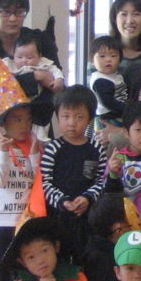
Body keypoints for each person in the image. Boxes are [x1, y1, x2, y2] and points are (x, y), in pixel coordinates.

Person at [0, 61, 46, 281]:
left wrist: (34, 155)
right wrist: (5, 152)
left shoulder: (35, 147)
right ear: (3, 124)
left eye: (28, 119)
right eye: (17, 119)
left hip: (24, 222)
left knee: (26, 278)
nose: (25, 124)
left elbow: (35, 183)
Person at [41, 86, 107, 271]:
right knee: (59, 258)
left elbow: (101, 181)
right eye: (65, 116)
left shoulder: (96, 148)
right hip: (58, 215)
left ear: (90, 120)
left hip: (88, 216)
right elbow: (45, 182)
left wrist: (87, 198)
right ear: (57, 117)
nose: (71, 123)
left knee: (86, 259)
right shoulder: (52, 148)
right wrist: (62, 201)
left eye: (79, 117)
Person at [0, 27, 64, 127]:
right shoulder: (10, 64)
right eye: (19, 57)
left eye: (29, 57)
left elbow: (56, 70)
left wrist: (59, 80)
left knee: (38, 127)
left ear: (39, 56)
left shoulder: (43, 64)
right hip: (15, 104)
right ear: (13, 55)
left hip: (36, 106)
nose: (24, 60)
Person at [108, 0, 141, 91]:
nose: (130, 21)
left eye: (136, 14)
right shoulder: (102, 53)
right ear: (115, 18)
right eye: (124, 14)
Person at [88, 35, 128, 131]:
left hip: (117, 114)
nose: (108, 59)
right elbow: (108, 102)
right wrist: (129, 109)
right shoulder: (100, 80)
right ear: (92, 60)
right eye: (102, 56)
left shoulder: (115, 75)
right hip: (108, 118)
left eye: (113, 56)